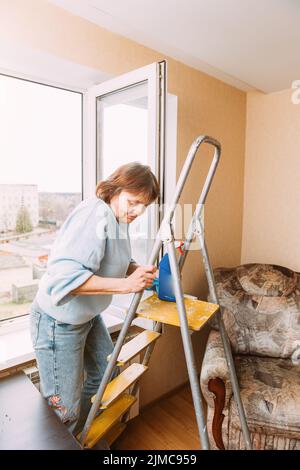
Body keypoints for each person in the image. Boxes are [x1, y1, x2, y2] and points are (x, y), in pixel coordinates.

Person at [30, 161, 159, 437]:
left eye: (144, 206)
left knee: (104, 377)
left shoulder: (118, 219)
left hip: (86, 317)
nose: (138, 211)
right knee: (63, 410)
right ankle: (67, 438)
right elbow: (66, 278)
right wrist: (126, 285)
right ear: (115, 189)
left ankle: (81, 438)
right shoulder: (94, 214)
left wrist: (136, 270)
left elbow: (112, 260)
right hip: (57, 322)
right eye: (134, 201)